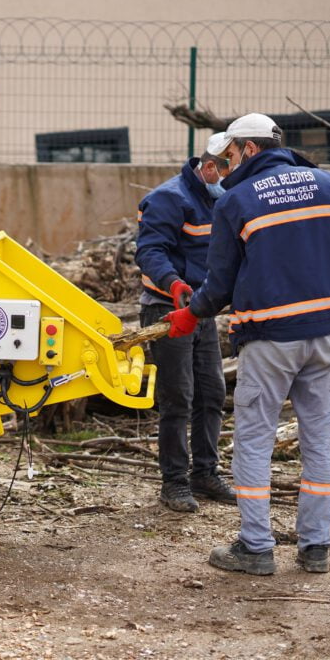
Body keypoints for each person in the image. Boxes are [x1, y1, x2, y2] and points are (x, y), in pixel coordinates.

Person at [164, 113, 330, 574]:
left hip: (268, 339)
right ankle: (315, 546)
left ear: (249, 150)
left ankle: (256, 546)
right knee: (319, 439)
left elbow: (221, 281)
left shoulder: (237, 202)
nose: (225, 166)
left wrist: (192, 313)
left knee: (253, 439)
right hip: (324, 335)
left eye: (229, 155)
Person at [135, 133, 236, 513]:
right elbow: (150, 250)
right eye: (227, 172)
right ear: (210, 167)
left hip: (199, 310)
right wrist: (173, 283)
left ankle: (205, 473)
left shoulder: (218, 199)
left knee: (211, 394)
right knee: (177, 398)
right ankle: (174, 481)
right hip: (165, 310)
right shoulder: (169, 198)